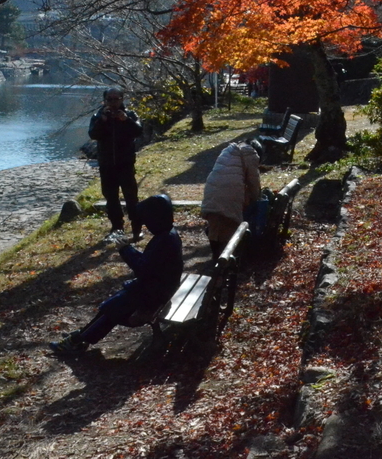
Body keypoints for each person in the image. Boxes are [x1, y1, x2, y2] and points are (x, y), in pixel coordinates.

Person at [50, 194, 183, 355]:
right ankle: (82, 335)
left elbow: (143, 269)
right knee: (111, 305)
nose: (146, 224)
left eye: (148, 220)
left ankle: (77, 341)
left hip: (154, 294)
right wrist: (129, 250)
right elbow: (150, 265)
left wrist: (125, 249)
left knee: (112, 309)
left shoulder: (164, 241)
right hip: (157, 288)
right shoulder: (168, 235)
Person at [89, 87, 144, 242]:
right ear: (104, 101)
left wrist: (126, 120)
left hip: (125, 163)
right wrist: (102, 121)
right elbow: (93, 134)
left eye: (116, 99)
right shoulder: (98, 116)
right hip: (106, 165)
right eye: (110, 99)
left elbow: (139, 131)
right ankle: (116, 228)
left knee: (131, 197)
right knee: (111, 197)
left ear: (122, 99)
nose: (113, 103)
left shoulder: (130, 115)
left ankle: (136, 228)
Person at [201, 140, 261, 260]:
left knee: (215, 223)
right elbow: (254, 181)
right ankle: (228, 258)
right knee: (230, 224)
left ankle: (215, 255)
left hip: (212, 188)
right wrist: (257, 198)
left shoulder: (228, 149)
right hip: (231, 191)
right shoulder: (251, 153)